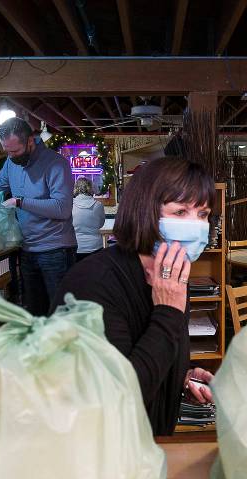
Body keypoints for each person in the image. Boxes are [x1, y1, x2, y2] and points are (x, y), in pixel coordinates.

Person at [52, 157, 215, 436]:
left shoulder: (170, 278)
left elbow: (146, 356)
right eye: (180, 212)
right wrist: (168, 312)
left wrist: (179, 379)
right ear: (145, 211)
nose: (197, 226)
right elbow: (115, 400)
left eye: (203, 214)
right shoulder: (92, 284)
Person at [0, 117, 75, 316]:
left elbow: (62, 208)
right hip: (27, 248)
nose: (11, 156)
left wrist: (20, 202)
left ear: (30, 141)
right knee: (35, 312)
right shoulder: (11, 163)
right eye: (7, 151)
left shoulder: (56, 164)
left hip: (56, 249)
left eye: (15, 151)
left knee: (61, 313)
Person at [72, 177, 106, 261]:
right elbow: (101, 223)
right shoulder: (98, 205)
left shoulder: (70, 204)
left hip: (76, 246)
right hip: (95, 246)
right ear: (91, 188)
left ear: (76, 188)